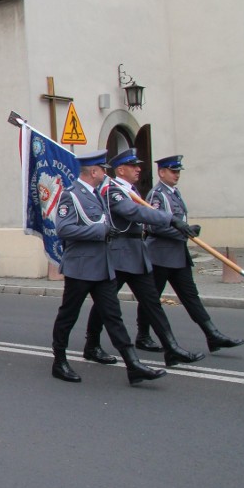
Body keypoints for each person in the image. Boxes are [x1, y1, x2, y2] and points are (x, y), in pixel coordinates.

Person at [51, 150, 166, 384]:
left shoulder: (99, 195)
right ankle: (60, 361)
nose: (106, 174)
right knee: (68, 315)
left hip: (103, 267)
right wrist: (99, 231)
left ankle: (132, 364)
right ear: (94, 172)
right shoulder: (71, 196)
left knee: (114, 317)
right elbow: (63, 229)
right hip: (80, 267)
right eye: (102, 170)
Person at [84, 148, 205, 367]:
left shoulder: (130, 189)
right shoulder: (113, 190)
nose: (139, 169)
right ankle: (92, 344)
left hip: (136, 254)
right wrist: (171, 220)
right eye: (133, 166)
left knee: (152, 302)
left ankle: (171, 348)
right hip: (119, 254)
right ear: (121, 169)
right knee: (105, 303)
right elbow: (134, 212)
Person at [140, 155, 244, 353]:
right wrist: (184, 231)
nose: (177, 175)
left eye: (178, 171)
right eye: (173, 171)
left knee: (190, 296)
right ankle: (143, 335)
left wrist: (187, 230)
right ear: (161, 172)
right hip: (160, 255)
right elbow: (152, 226)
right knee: (151, 298)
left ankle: (212, 334)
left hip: (177, 255)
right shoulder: (157, 195)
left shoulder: (174, 193)